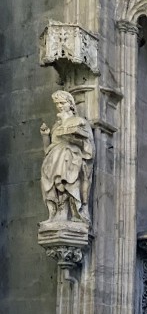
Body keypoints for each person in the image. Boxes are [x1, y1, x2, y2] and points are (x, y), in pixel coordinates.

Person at [40, 90, 95, 223]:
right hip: (54, 159)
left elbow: (88, 147)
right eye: (57, 104)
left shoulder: (79, 121)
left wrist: (72, 140)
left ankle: (71, 212)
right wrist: (45, 136)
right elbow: (48, 149)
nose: (59, 106)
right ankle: (58, 212)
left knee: (65, 163)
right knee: (54, 173)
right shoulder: (56, 126)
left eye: (62, 103)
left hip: (71, 157)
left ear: (70, 104)